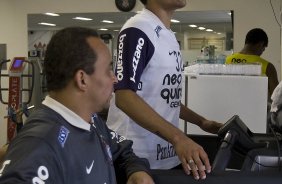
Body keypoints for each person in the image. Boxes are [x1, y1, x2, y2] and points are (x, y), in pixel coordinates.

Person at [0, 27, 154, 184]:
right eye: (108, 69)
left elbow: (123, 151)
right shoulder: (39, 144)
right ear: (82, 79)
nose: (114, 79)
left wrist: (137, 170)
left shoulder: (92, 121)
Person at [106, 0, 222, 180]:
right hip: (135, 158)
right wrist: (179, 138)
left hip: (166, 153)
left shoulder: (167, 34)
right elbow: (124, 96)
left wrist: (201, 122)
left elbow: (164, 97)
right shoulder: (137, 29)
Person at [225, 28, 279, 98]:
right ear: (260, 44)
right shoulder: (267, 66)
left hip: (232, 104)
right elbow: (276, 98)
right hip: (258, 107)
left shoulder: (228, 60)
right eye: (264, 48)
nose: (263, 51)